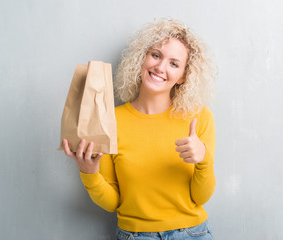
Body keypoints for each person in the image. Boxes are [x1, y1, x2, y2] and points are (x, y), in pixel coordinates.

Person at [63, 18, 217, 240]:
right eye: (156, 55)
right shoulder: (111, 120)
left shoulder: (199, 117)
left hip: (193, 234)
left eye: (174, 64)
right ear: (142, 58)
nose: (161, 67)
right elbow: (113, 202)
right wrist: (89, 173)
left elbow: (201, 197)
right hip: (135, 236)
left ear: (183, 76)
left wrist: (203, 159)